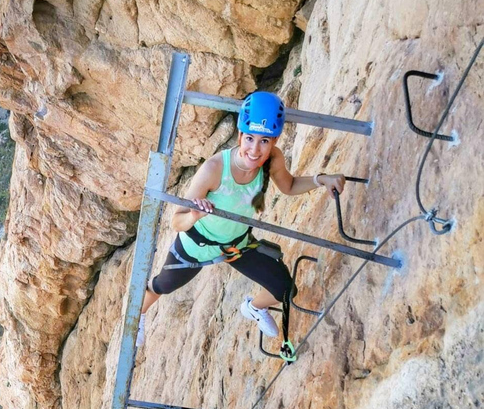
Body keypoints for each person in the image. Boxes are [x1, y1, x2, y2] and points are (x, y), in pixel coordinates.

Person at [136, 91, 346, 347]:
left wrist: (320, 179)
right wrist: (194, 214)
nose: (255, 150)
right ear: (239, 135)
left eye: (265, 141)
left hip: (236, 246)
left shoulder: (273, 160)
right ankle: (138, 317)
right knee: (161, 286)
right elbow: (176, 222)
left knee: (285, 289)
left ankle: (254, 308)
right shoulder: (214, 169)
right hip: (196, 247)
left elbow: (288, 186)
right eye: (249, 138)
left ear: (275, 140)